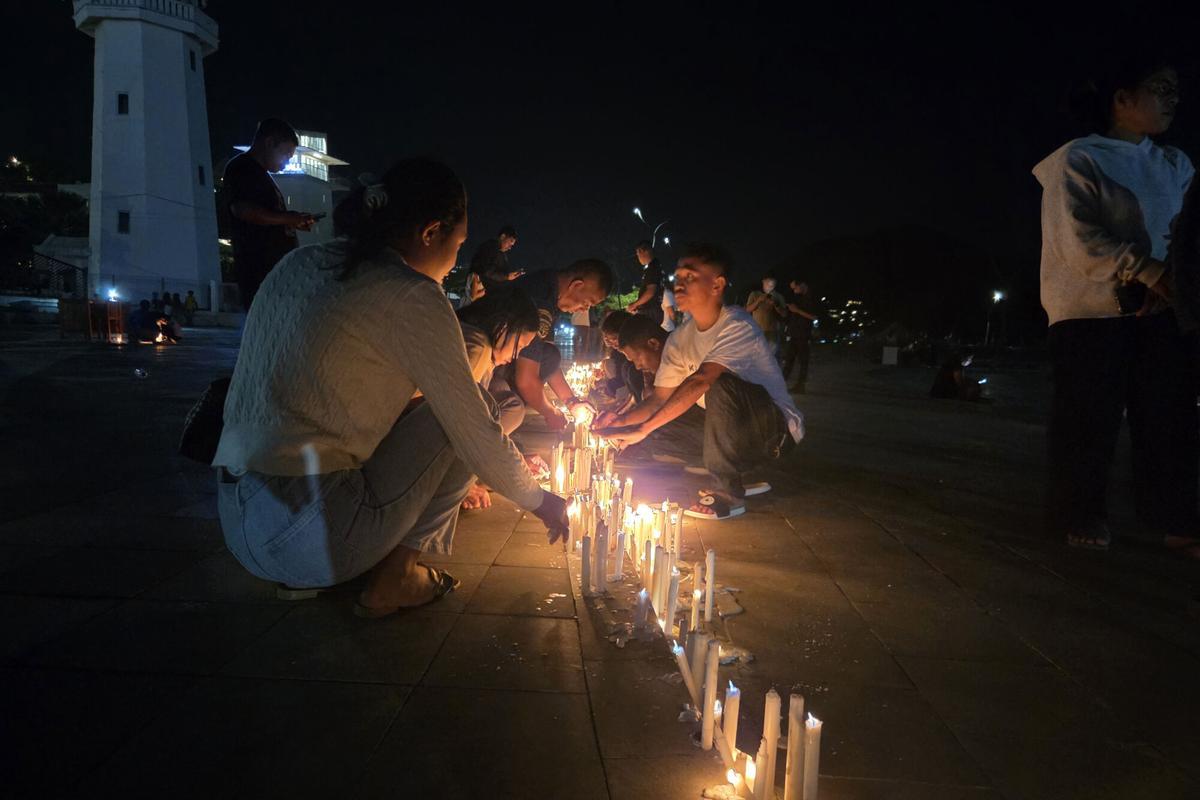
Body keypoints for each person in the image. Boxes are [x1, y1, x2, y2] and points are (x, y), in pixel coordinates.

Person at [213, 157, 569, 616]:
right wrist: (540, 501)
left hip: (237, 524)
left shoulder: (297, 264)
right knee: (473, 407)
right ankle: (398, 577)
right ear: (430, 233)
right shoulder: (413, 294)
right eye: (457, 244)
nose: (455, 259)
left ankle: (353, 557)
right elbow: (474, 429)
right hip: (311, 537)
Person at [1034, 54, 1198, 556]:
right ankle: (1080, 512)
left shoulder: (1176, 164)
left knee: (1167, 417)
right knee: (1089, 419)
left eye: (1175, 89)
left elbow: (1187, 234)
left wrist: (1176, 281)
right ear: (1122, 99)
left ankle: (1174, 517)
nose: (1172, 98)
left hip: (1164, 308)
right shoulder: (1079, 158)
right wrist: (1147, 270)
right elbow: (1077, 238)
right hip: (1090, 312)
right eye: (1159, 88)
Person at [597, 244, 804, 520]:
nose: (679, 284)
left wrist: (642, 428)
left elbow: (703, 379)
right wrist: (621, 425)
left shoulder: (737, 324)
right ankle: (727, 468)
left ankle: (729, 493)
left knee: (718, 385)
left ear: (717, 284)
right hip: (732, 432)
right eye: (678, 277)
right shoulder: (679, 339)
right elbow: (659, 399)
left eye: (690, 277)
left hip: (773, 433)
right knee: (660, 424)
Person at [490, 259, 614, 431]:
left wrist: (572, 403)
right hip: (478, 364)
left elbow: (546, 358)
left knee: (550, 354)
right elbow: (526, 380)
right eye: (587, 303)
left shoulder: (549, 287)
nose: (583, 309)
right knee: (513, 409)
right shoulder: (541, 300)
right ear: (577, 286)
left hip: (494, 360)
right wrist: (550, 413)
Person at [453, 288, 542, 509]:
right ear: (503, 325)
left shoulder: (479, 345)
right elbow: (458, 421)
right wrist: (459, 485)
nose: (515, 356)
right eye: (519, 346)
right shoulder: (476, 347)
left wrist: (515, 460)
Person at [223, 118, 317, 311]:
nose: (287, 161)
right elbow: (243, 210)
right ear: (269, 143)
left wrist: (291, 222)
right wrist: (289, 218)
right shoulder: (242, 168)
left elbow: (265, 216)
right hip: (259, 272)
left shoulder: (261, 175)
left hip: (273, 274)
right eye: (286, 154)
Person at [782, 279, 818, 392]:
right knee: (789, 360)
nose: (794, 291)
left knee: (803, 361)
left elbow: (814, 317)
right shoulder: (798, 297)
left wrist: (797, 310)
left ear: (802, 284)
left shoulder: (811, 298)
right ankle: (780, 384)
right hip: (794, 333)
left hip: (803, 334)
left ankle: (800, 386)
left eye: (795, 288)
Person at [468, 225, 521, 294]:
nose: (510, 247)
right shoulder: (490, 247)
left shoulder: (500, 252)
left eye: (512, 245)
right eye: (510, 242)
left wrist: (509, 276)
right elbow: (487, 271)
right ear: (502, 236)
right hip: (478, 292)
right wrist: (507, 276)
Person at [625, 241, 665, 325]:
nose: (638, 257)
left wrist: (634, 305)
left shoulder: (652, 268)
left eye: (638, 254)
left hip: (650, 312)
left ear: (644, 251)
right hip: (655, 309)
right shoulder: (657, 266)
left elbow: (650, 291)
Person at [745, 275, 786, 355]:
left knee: (771, 356)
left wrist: (776, 305)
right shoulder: (754, 294)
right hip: (757, 331)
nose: (770, 287)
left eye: (772, 285)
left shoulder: (778, 296)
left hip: (773, 332)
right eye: (768, 284)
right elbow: (747, 310)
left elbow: (784, 314)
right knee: (757, 356)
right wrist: (759, 301)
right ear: (763, 282)